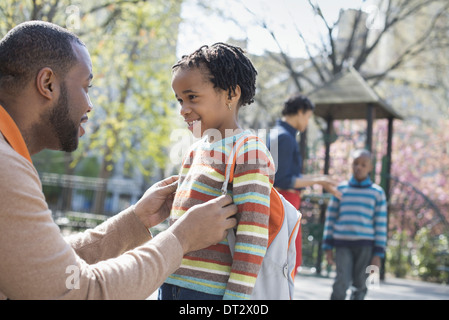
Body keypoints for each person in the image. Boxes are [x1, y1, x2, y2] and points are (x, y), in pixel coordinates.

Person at [0, 21, 238, 300]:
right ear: (47, 83)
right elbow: (79, 292)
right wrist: (181, 239)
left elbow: (49, 271)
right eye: (86, 87)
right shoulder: (7, 171)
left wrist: (135, 221)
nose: (89, 104)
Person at [158, 43, 276, 300]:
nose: (183, 109)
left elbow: (252, 236)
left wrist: (236, 299)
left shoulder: (248, 152)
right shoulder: (193, 151)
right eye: (179, 100)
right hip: (170, 283)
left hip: (208, 294)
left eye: (192, 97)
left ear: (231, 94)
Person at [268, 93, 341, 276]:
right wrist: (318, 180)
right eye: (308, 117)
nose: (307, 122)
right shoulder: (284, 137)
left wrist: (320, 178)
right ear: (300, 112)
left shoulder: (280, 134)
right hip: (284, 202)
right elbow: (281, 179)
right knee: (289, 262)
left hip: (285, 202)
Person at [322, 148, 387, 300]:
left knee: (361, 283)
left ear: (370, 167)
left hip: (365, 246)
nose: (359, 167)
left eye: (364, 165)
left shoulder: (377, 193)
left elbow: (381, 224)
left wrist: (378, 253)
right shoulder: (341, 189)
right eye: (356, 163)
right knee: (341, 281)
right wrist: (327, 246)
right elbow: (330, 218)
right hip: (342, 244)